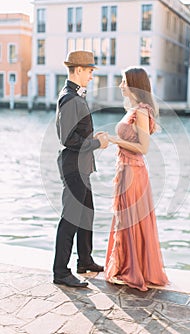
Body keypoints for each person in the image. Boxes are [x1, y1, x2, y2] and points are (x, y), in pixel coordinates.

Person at [104, 66, 168, 291]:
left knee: (130, 218)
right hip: (125, 169)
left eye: (123, 81)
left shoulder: (141, 111)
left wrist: (113, 140)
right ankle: (127, 266)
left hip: (134, 171)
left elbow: (143, 147)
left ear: (133, 84)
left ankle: (134, 269)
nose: (121, 85)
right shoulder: (133, 109)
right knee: (126, 217)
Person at [53, 50, 108, 288]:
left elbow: (76, 133)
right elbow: (67, 138)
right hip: (74, 167)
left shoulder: (75, 96)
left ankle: (84, 261)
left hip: (82, 166)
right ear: (77, 70)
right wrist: (97, 143)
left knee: (86, 215)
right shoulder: (70, 98)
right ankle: (60, 272)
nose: (91, 76)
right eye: (89, 71)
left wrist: (92, 137)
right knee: (71, 218)